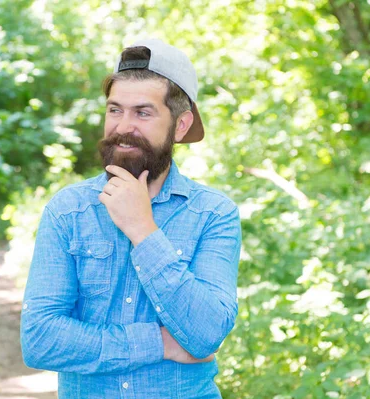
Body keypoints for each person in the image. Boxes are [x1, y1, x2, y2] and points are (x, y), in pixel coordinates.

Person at [21, 38, 242, 399]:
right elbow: (41, 341)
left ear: (181, 125)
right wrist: (160, 343)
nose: (124, 126)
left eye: (143, 112)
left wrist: (143, 230)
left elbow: (206, 334)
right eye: (114, 110)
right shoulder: (68, 211)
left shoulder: (214, 214)